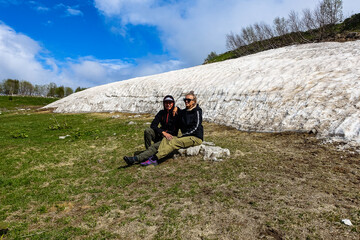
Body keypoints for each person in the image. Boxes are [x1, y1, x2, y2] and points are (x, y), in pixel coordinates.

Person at [140, 91, 203, 166]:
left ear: (194, 101)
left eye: (188, 100)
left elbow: (196, 127)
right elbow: (180, 111)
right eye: (185, 100)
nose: (186, 101)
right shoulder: (184, 111)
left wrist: (184, 135)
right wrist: (176, 108)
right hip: (185, 137)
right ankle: (152, 155)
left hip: (195, 137)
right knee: (165, 140)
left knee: (173, 142)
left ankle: (155, 158)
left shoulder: (197, 111)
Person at [123, 95, 179, 165]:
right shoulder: (161, 113)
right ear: (164, 103)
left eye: (170, 102)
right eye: (166, 102)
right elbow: (153, 125)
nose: (168, 104)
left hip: (170, 137)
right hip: (161, 135)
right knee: (148, 131)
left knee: (154, 147)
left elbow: (185, 113)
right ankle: (148, 153)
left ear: (173, 103)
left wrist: (177, 109)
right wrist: (163, 132)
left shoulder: (176, 113)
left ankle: (136, 159)